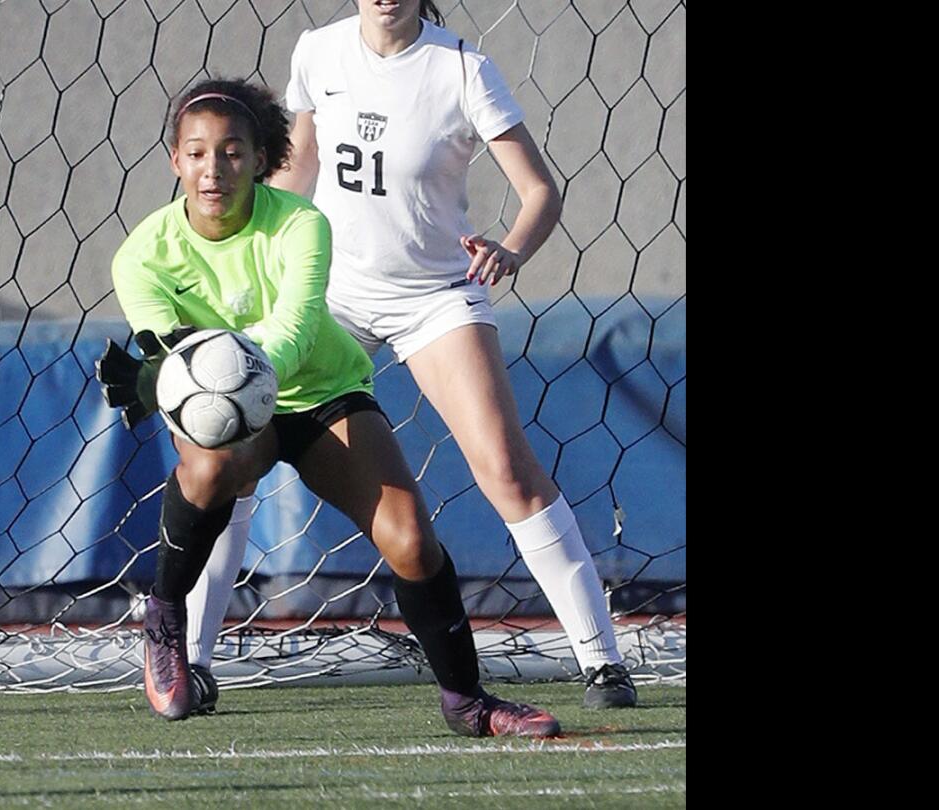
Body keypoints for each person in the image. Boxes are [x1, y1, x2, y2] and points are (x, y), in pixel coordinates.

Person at [186, 0, 638, 710]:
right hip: (327, 294)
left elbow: (539, 191)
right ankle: (190, 659)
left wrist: (510, 247)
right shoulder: (318, 52)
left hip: (434, 297)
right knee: (235, 442)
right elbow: (296, 172)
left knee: (505, 470)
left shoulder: (462, 69)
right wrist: (248, 266)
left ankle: (602, 662)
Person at [96, 77, 561, 737]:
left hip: (320, 392)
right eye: (197, 154)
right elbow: (162, 349)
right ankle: (166, 614)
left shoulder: (300, 222)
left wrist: (241, 369)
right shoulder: (143, 255)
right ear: (176, 162)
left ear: (261, 161)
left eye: (232, 153)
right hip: (226, 412)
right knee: (206, 468)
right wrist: (186, 381)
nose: (213, 169)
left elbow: (297, 327)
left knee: (410, 540)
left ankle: (467, 702)